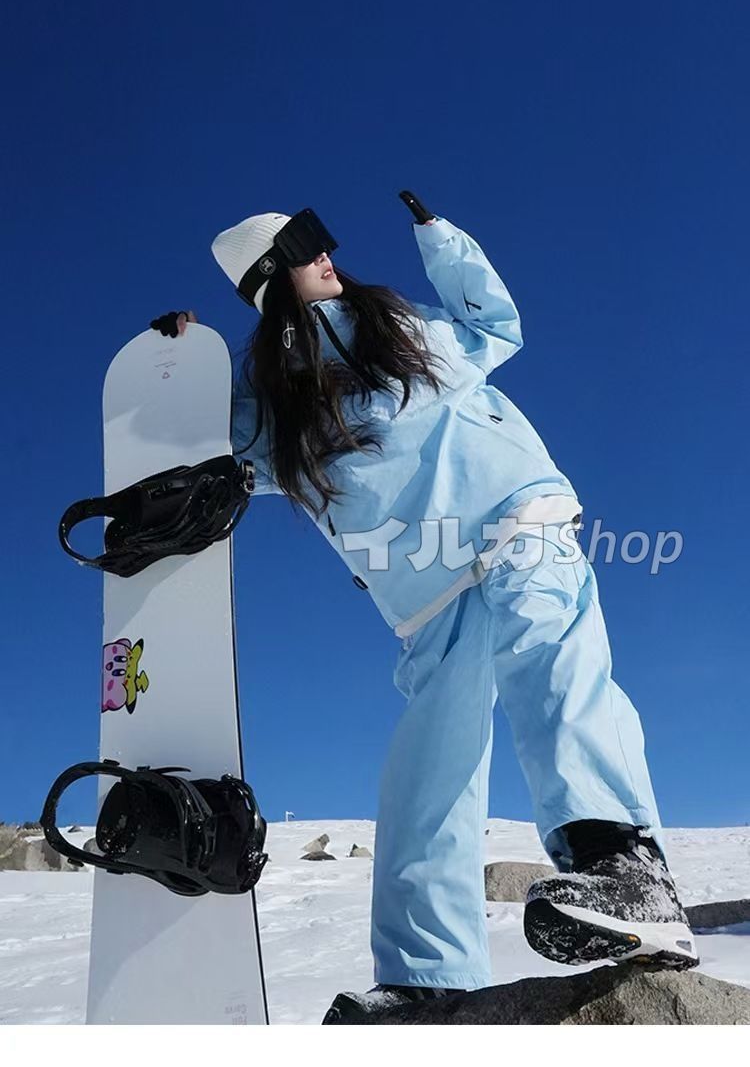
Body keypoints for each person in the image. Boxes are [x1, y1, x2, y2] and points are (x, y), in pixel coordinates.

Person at [152, 198, 697, 1022]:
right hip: (422, 587)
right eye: (302, 246)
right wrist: (181, 364)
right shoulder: (270, 394)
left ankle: (623, 866)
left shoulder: (401, 325)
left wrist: (444, 241)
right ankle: (429, 972)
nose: (327, 253)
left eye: (320, 236)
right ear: (269, 277)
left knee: (551, 666)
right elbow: (222, 455)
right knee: (428, 767)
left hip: (514, 515)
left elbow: (497, 325)